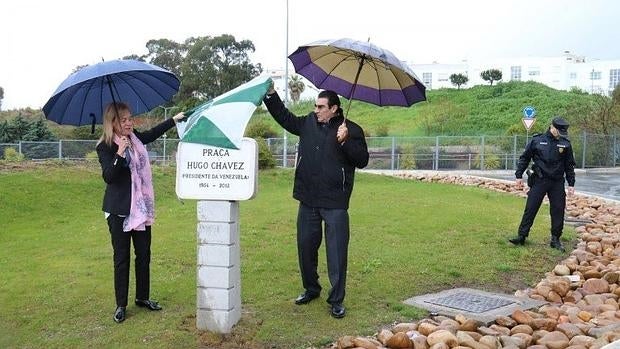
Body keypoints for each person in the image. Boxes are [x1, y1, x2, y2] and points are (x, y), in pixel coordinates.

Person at [263, 85, 369, 319]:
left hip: (335, 202)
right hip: (308, 198)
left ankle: (336, 300)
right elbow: (285, 118)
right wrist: (271, 96)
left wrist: (346, 141)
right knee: (305, 247)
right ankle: (311, 289)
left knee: (337, 253)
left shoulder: (351, 130)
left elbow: (362, 160)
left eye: (321, 107)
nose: (316, 110)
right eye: (315, 106)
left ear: (334, 108)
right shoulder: (308, 123)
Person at [96, 102, 185, 323]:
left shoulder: (135, 139)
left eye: (130, 118)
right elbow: (109, 176)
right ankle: (120, 305)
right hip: (119, 210)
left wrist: (173, 120)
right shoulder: (105, 146)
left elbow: (152, 134)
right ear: (113, 123)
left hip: (141, 208)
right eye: (123, 120)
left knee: (144, 254)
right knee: (122, 257)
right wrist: (119, 152)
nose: (129, 123)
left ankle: (143, 297)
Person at [509, 116, 576, 252]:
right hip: (539, 180)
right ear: (552, 127)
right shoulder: (537, 140)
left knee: (558, 210)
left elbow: (569, 165)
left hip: (557, 182)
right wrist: (518, 176)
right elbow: (525, 158)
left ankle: (555, 239)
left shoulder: (565, 144)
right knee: (531, 208)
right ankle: (522, 236)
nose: (560, 134)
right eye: (559, 131)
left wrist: (571, 184)